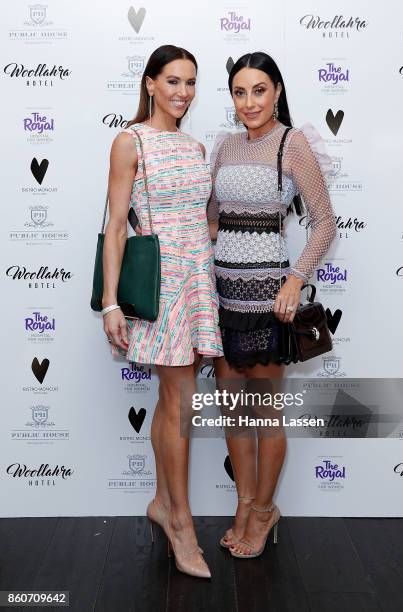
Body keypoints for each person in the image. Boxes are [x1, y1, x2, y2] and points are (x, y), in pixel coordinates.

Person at [207, 51, 336, 558]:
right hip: (221, 293)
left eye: (259, 90)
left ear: (277, 90)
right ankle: (244, 504)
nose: (249, 102)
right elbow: (213, 220)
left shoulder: (293, 142)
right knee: (232, 411)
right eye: (240, 92)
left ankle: (264, 511)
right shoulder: (225, 146)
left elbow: (324, 221)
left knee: (263, 414)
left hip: (268, 299)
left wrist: (294, 280)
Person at [101, 44, 223, 578]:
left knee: (171, 401)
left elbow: (204, 222)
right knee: (179, 405)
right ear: (150, 83)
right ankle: (181, 524)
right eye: (172, 81)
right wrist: (111, 302)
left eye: (191, 82)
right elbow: (115, 227)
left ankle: (159, 500)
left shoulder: (195, 147)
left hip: (197, 285)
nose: (182, 92)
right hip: (160, 291)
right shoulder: (131, 142)